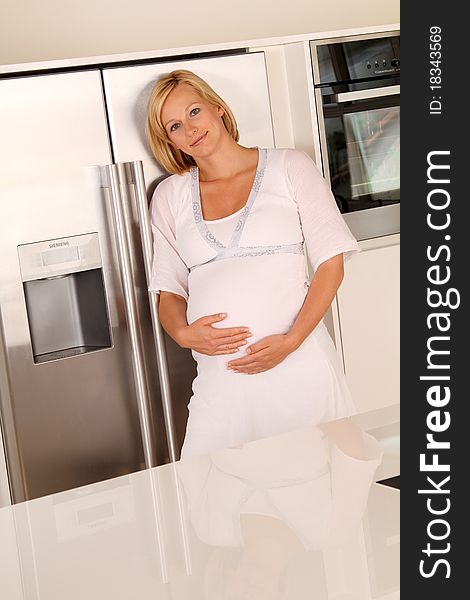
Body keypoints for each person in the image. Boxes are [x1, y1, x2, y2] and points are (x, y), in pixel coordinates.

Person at [146, 69, 360, 459]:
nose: (190, 129)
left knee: (314, 502)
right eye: (175, 125)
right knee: (208, 500)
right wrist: (182, 334)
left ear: (218, 109)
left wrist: (291, 341)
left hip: (298, 367)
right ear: (169, 140)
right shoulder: (170, 195)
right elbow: (169, 287)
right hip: (221, 384)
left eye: (194, 111)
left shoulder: (290, 167)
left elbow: (331, 262)